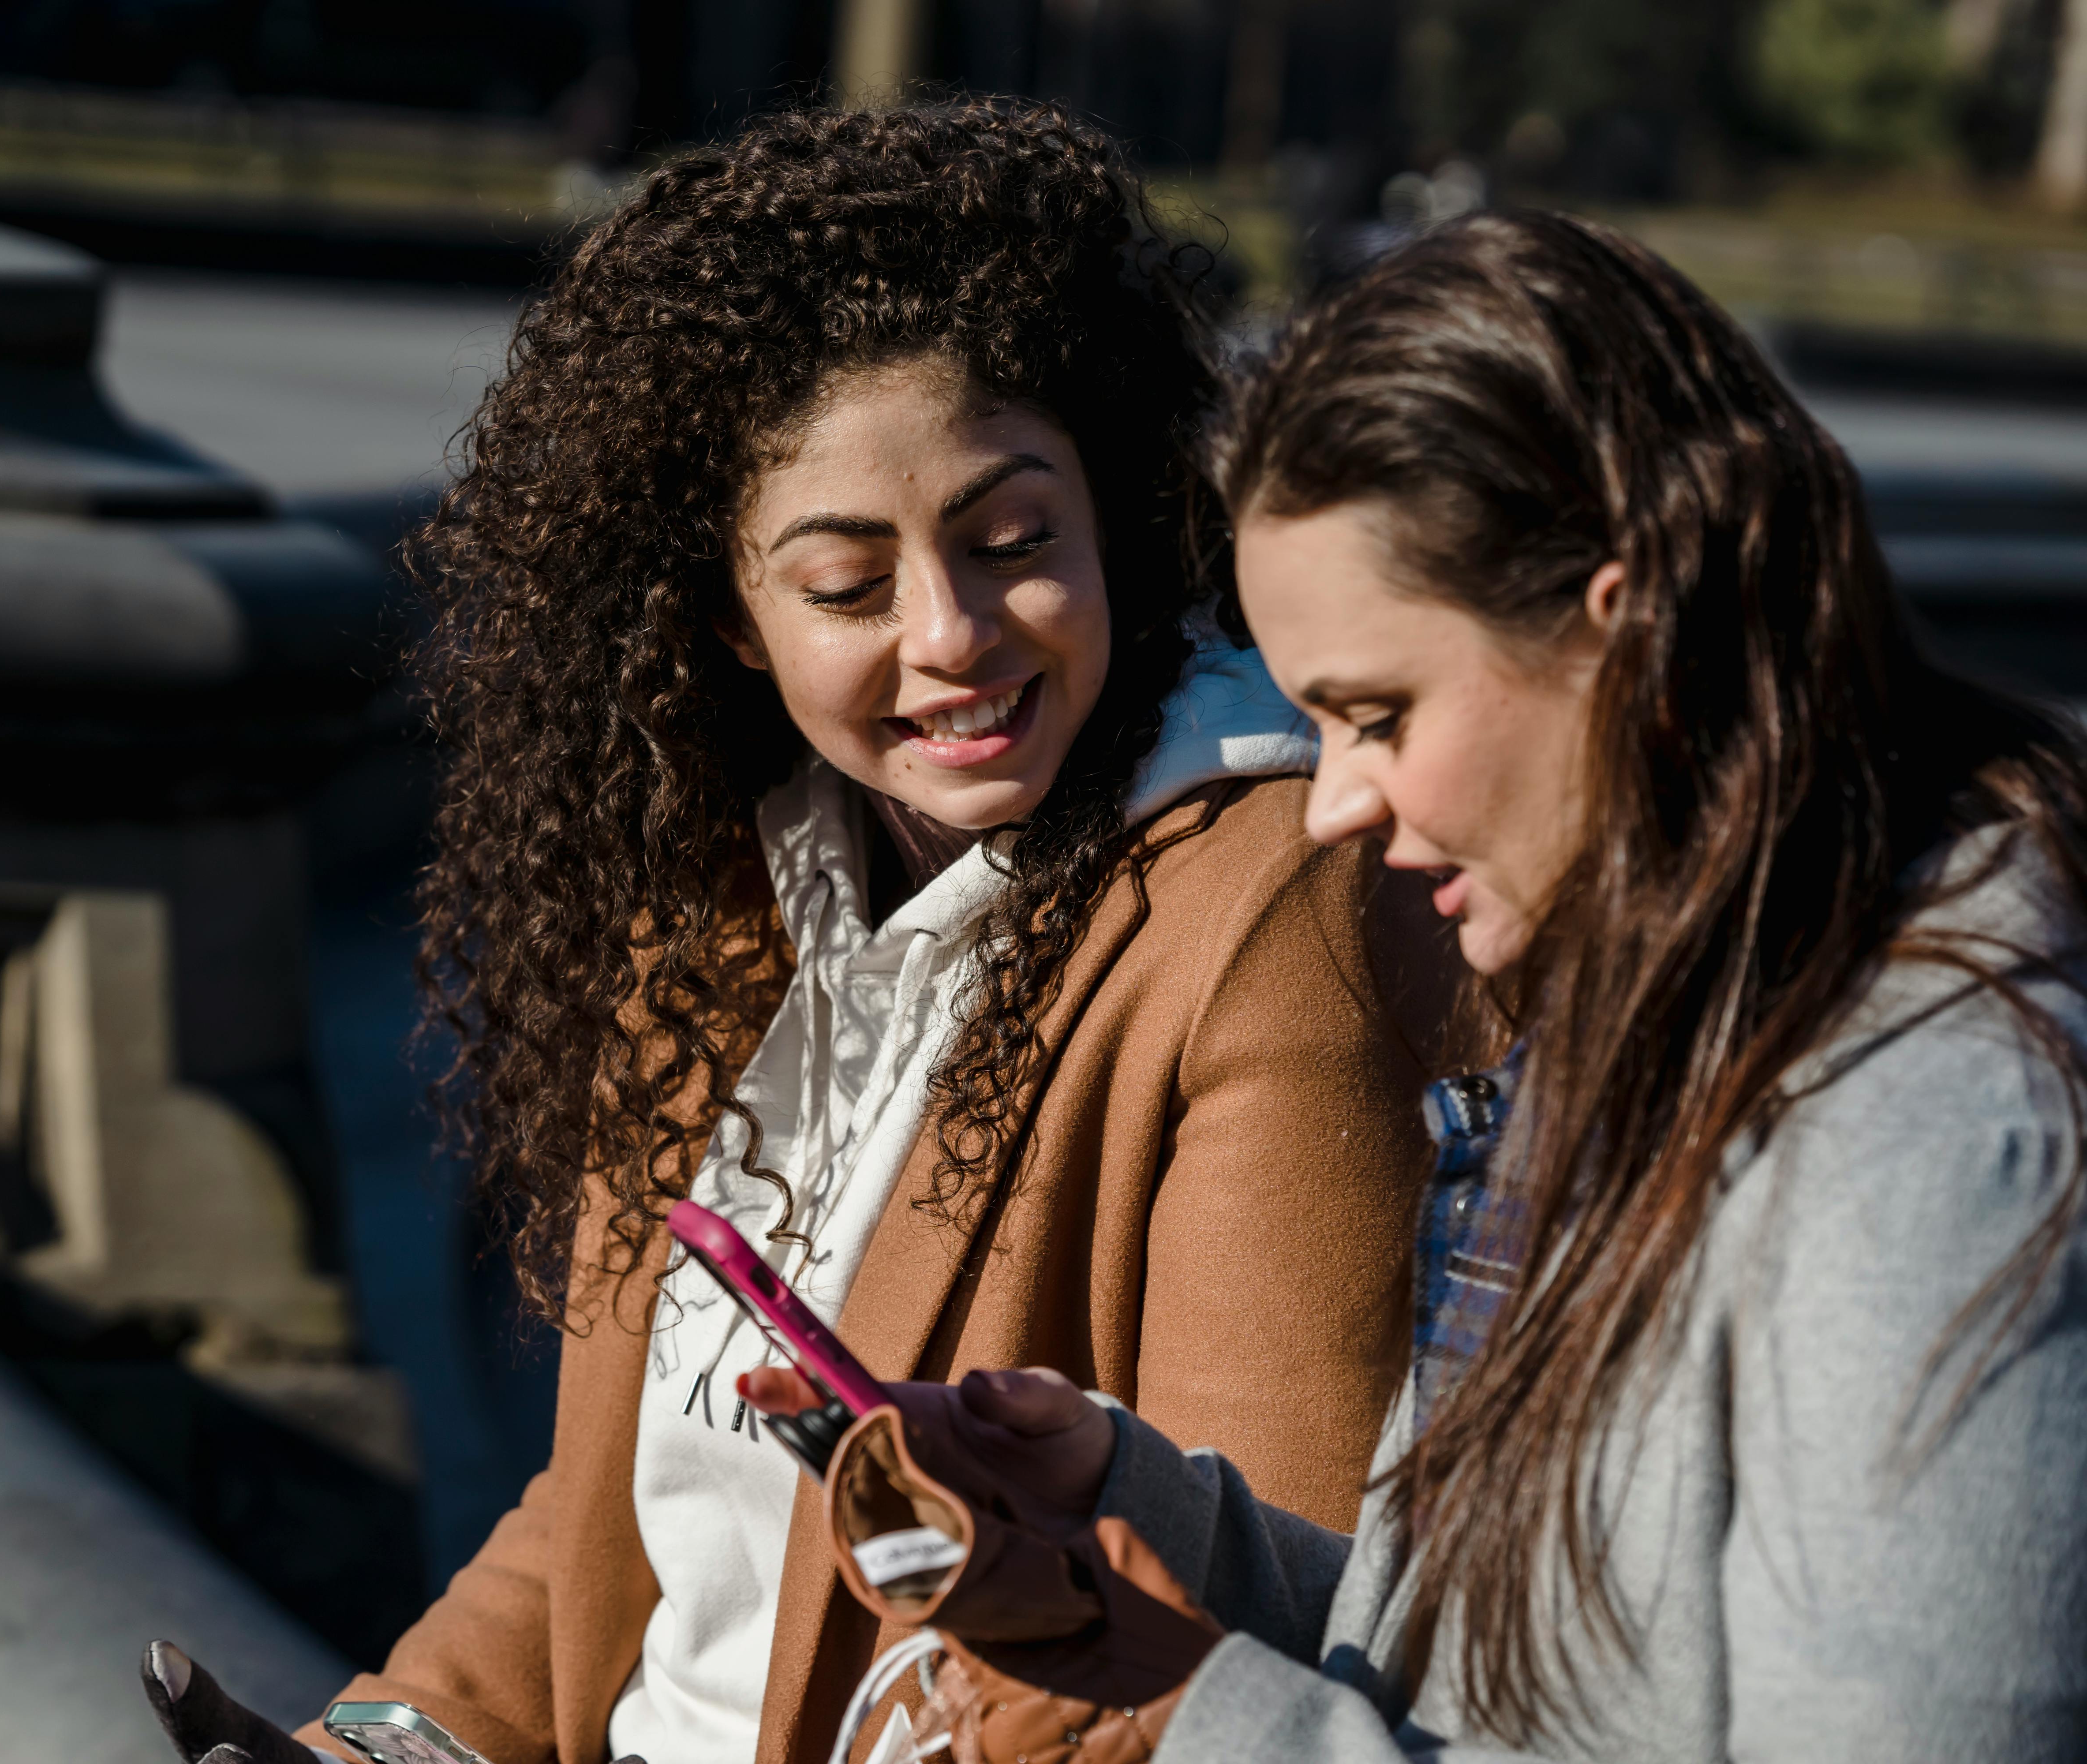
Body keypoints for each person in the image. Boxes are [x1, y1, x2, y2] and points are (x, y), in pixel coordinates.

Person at [770, 208, 2087, 1761]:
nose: (1335, 801)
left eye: (1377, 713)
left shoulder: (1934, 1134)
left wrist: (1191, 1719)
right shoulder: (1660, 984)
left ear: (1631, 632)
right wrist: (1138, 1512)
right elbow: (1478, 1671)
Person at [289, 101, 1473, 1764]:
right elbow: (626, 1506)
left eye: (1013, 544)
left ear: (1116, 509)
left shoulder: (1273, 906)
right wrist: (381, 1740)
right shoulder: (717, 899)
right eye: (848, 587)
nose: (952, 638)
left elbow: (1243, 1631)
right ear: (729, 613)